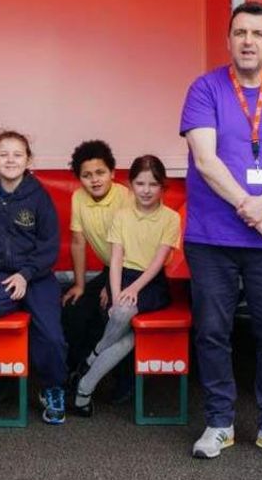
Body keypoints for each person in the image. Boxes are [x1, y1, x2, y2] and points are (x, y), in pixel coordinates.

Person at [180, 0, 262, 462]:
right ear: (229, 39)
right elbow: (206, 159)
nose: (248, 41)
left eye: (257, 33)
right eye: (240, 33)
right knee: (212, 331)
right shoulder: (205, 88)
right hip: (211, 237)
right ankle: (219, 422)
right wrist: (250, 208)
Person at [0, 129, 69, 425]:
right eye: (3, 154)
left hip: (36, 275)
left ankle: (52, 387)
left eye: (17, 154)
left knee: (51, 335)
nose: (10, 160)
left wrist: (26, 274)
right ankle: (2, 379)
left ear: (29, 160)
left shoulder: (39, 197)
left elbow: (49, 247)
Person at [70, 154, 181, 415]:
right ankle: (83, 392)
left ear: (162, 187)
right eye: (140, 184)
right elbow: (116, 258)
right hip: (123, 277)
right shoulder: (121, 215)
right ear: (130, 185)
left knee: (121, 312)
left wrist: (133, 290)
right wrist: (118, 290)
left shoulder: (170, 218)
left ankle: (92, 358)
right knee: (127, 336)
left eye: (153, 184)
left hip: (151, 282)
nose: (146, 190)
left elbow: (157, 262)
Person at [61, 140, 130, 376]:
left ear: (112, 172)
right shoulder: (78, 198)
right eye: (87, 175)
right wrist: (80, 284)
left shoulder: (125, 198)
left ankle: (122, 380)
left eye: (100, 172)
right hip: (108, 269)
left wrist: (113, 288)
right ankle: (76, 372)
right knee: (75, 307)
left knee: (110, 310)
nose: (95, 180)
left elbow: (133, 250)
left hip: (132, 271)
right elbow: (78, 243)